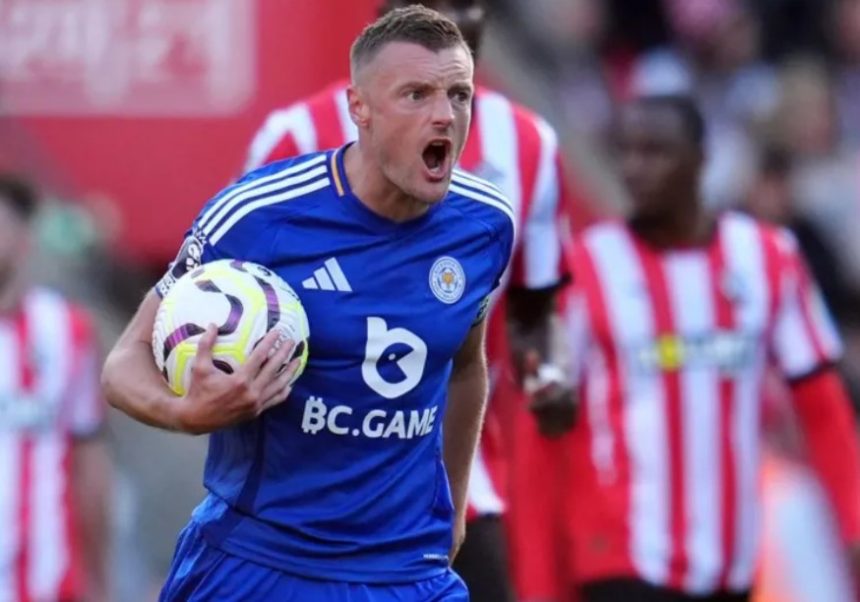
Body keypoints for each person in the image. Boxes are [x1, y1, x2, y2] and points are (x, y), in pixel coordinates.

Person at [102, 6, 514, 601]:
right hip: (261, 562)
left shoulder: (485, 225)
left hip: (407, 569)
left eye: (459, 94)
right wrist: (185, 414)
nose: (444, 115)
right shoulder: (258, 217)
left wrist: (453, 506)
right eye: (416, 94)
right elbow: (124, 362)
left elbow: (466, 367)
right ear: (359, 109)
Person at [244, 2, 575, 599]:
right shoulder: (294, 137)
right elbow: (241, 305)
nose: (450, 20)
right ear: (385, 17)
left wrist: (548, 369)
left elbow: (535, 309)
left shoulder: (527, 146)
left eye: (465, 4)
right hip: (307, 507)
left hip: (458, 489)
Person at [562, 95, 860, 602]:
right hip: (623, 554)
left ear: (700, 159)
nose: (635, 168)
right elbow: (546, 425)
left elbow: (823, 409)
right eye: (626, 152)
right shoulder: (587, 266)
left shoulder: (768, 259)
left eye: (655, 151)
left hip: (728, 562)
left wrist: (853, 524)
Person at [0, 175, 110, 602]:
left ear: (24, 238)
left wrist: (101, 583)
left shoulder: (67, 329)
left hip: (48, 585)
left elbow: (90, 460)